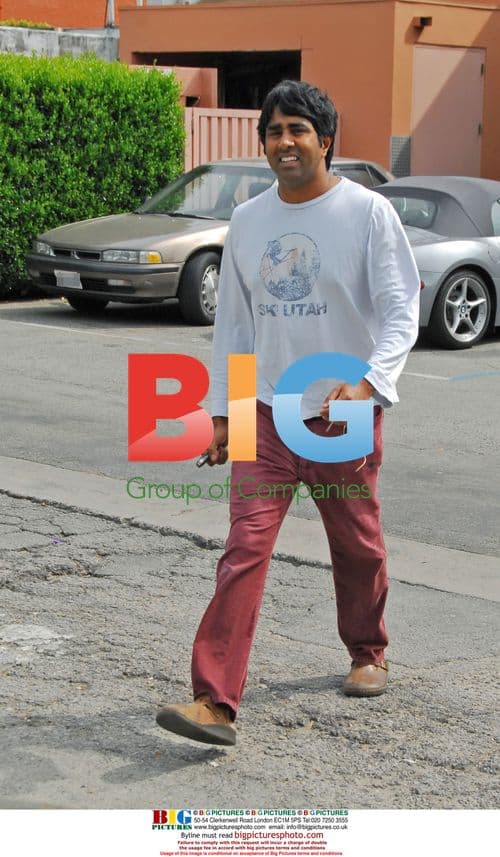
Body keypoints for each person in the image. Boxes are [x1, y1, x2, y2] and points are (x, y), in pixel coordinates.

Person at [156, 80, 420, 746]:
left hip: (342, 409)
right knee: (244, 547)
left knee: (355, 543)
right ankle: (214, 700)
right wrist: (224, 414)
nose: (285, 142)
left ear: (326, 140)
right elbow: (235, 327)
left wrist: (369, 384)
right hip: (269, 411)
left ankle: (368, 649)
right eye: (274, 131)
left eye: (298, 130)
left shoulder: (366, 214)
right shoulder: (248, 220)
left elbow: (400, 311)